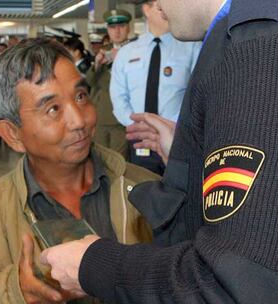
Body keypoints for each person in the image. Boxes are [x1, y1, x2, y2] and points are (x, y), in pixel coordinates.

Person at [41, 0, 278, 302]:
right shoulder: (233, 37)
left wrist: (94, 266)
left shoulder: (256, 46)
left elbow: (233, 283)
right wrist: (190, 156)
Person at [0, 38, 159, 304]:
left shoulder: (146, 188)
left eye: (81, 96)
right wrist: (15, 293)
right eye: (52, 109)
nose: (79, 120)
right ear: (12, 134)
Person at [110, 0, 201, 175]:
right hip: (139, 139)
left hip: (178, 137)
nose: (167, 9)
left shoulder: (192, 47)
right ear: (147, 9)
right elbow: (119, 96)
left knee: (180, 190)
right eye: (160, 6)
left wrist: (169, 126)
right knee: (142, 188)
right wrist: (140, 126)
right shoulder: (127, 52)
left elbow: (196, 93)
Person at [86, 9, 133, 158]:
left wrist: (121, 60)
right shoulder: (103, 51)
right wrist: (97, 65)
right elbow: (90, 82)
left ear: (128, 28)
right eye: (112, 27)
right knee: (100, 158)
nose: (117, 31)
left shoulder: (137, 50)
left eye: (121, 26)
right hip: (102, 114)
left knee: (120, 160)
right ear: (108, 29)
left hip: (123, 116)